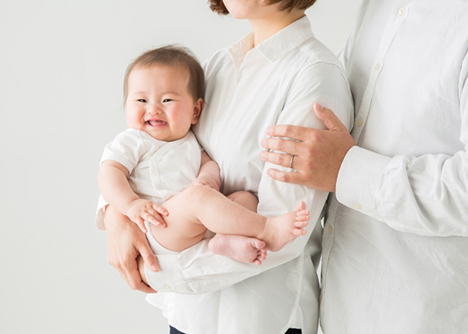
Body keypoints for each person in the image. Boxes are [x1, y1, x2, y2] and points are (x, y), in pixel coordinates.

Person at [100, 0, 353, 333]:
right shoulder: (219, 66)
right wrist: (116, 216)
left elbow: (284, 232)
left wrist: (153, 265)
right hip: (189, 315)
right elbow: (150, 148)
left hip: (254, 318)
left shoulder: (313, 76)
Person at [260, 0, 468, 333]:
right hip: (337, 311)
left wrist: (347, 170)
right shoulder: (380, 5)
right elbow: (328, 134)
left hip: (422, 319)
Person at [97, 45, 310, 267]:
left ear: (195, 111)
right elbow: (108, 174)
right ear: (126, 105)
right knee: (198, 198)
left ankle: (227, 240)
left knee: (245, 199)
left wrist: (208, 179)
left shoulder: (190, 141)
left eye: (167, 100)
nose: (153, 109)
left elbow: (208, 164)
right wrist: (131, 205)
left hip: (192, 224)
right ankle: (268, 229)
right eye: (141, 101)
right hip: (158, 225)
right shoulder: (134, 140)